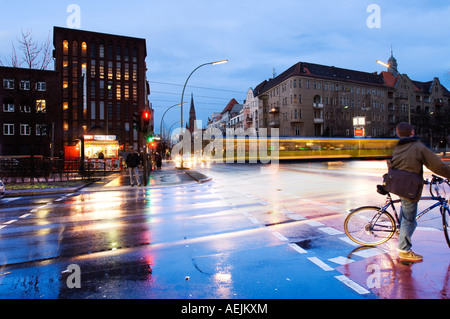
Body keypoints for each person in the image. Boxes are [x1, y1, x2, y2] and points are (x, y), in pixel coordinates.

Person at [389, 122, 450, 262]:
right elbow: (438, 165)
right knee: (410, 220)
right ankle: (404, 250)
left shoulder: (394, 146)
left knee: (405, 213)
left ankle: (401, 232)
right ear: (412, 132)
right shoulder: (417, 147)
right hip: (409, 187)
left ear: (398, 133)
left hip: (397, 184)